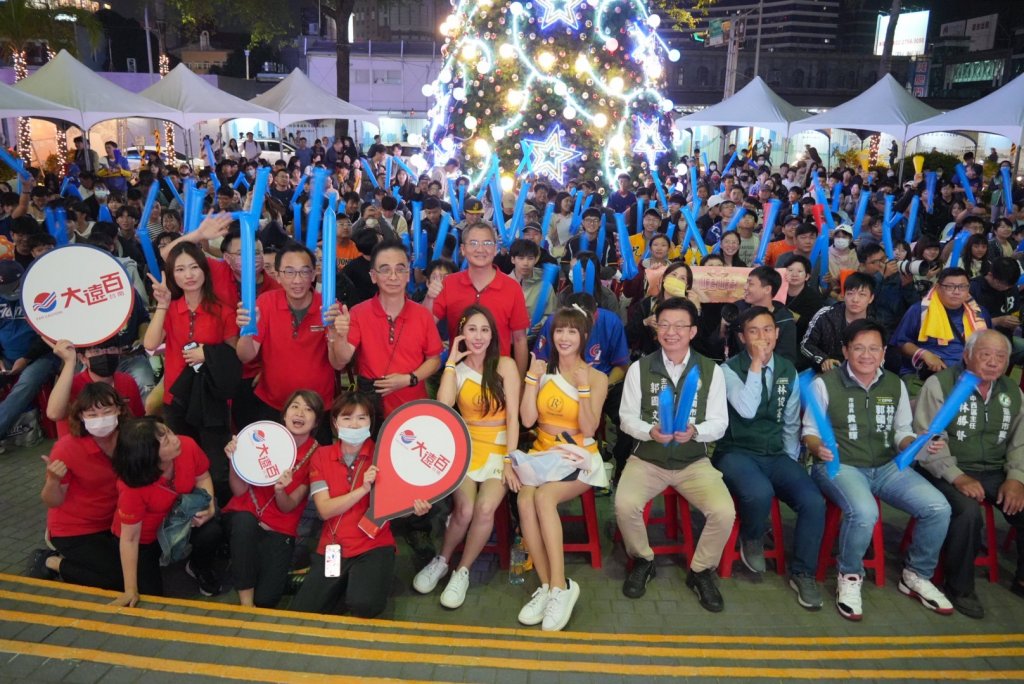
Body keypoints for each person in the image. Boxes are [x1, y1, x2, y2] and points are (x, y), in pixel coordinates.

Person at [803, 319, 953, 621]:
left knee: (938, 507)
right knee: (865, 511)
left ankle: (916, 574)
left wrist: (918, 444)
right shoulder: (825, 383)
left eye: (874, 349)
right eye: (858, 348)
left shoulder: (894, 384)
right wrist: (817, 447)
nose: (866, 355)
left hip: (886, 466)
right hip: (839, 465)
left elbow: (901, 433)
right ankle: (850, 576)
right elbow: (809, 431)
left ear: (884, 352)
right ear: (845, 350)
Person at [616, 297, 735, 612]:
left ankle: (700, 570)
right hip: (648, 460)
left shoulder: (711, 371)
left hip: (693, 462)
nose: (671, 332)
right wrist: (649, 431)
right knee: (624, 505)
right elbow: (626, 418)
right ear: (656, 329)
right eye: (664, 324)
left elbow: (720, 423)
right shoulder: (640, 368)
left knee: (724, 512)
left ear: (693, 331)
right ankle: (643, 559)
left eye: (680, 325)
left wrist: (696, 431)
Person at [713, 307, 825, 609]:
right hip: (736, 452)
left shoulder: (788, 370)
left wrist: (789, 463)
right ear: (741, 337)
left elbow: (790, 422)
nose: (762, 337)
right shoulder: (727, 370)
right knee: (759, 491)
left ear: (777, 334)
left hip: (774, 453)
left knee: (813, 501)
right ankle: (751, 536)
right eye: (753, 331)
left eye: (767, 330)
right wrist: (756, 366)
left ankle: (803, 573)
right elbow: (746, 409)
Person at [412, 305, 520, 609]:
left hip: (500, 447)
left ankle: (463, 571)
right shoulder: (456, 370)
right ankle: (442, 560)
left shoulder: (506, 366)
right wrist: (450, 362)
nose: (479, 336)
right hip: (467, 446)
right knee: (464, 510)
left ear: (493, 335)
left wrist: (511, 460)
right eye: (472, 329)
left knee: (485, 508)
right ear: (461, 333)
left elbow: (513, 417)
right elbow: (444, 407)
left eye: (485, 330)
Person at [914, 330, 1024, 618]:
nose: (992, 362)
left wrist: (1016, 478)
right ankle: (959, 587)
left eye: (1000, 357)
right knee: (967, 511)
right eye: (985, 354)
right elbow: (927, 439)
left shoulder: (1013, 392)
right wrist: (956, 475)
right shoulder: (941, 385)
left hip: (994, 470)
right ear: (967, 355)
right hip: (944, 469)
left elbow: (1019, 442)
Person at [290, 392, 431, 617]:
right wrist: (363, 490)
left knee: (364, 605)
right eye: (347, 418)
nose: (354, 425)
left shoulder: (386, 455)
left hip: (374, 544)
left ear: (370, 423)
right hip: (333, 545)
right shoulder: (321, 456)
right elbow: (325, 510)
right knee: (304, 610)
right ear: (335, 423)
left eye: (361, 418)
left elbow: (397, 510)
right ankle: (343, 582)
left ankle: (360, 582)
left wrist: (413, 509)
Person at [516, 306, 609, 631]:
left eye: (572, 331)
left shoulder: (596, 377)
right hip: (542, 455)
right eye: (559, 330)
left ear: (583, 336)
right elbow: (527, 420)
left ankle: (561, 587)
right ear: (551, 335)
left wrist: (583, 387)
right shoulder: (543, 372)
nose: (565, 337)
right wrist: (531, 379)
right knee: (524, 500)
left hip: (577, 458)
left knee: (543, 499)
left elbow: (590, 425)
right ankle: (546, 587)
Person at [145, 242, 240, 505]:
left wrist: (207, 353)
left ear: (204, 270)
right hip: (176, 399)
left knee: (217, 464)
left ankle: (220, 513)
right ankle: (188, 514)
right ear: (172, 275)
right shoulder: (171, 308)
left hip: (212, 400)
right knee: (182, 460)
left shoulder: (223, 311)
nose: (189, 275)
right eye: (180, 269)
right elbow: (151, 344)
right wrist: (162, 304)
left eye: (194, 267)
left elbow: (233, 356)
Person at [236, 241, 347, 442]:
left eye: (304, 272)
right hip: (273, 403)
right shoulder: (266, 303)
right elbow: (246, 355)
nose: (297, 280)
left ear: (314, 274)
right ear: (277, 275)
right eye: (289, 272)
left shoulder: (330, 307)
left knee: (314, 467)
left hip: (316, 407)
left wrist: (334, 332)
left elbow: (338, 363)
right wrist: (246, 330)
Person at [222, 390, 323, 608]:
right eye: (295, 406)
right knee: (244, 523)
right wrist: (234, 461)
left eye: (308, 409)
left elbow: (289, 506)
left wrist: (280, 490)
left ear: (316, 421)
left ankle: (255, 567)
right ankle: (246, 604)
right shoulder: (260, 435)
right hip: (246, 514)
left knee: (267, 599)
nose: (300, 413)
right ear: (284, 414)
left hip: (282, 526)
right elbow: (239, 491)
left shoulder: (317, 455)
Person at [111, 418, 224, 606]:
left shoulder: (187, 445)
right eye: (166, 441)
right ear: (149, 455)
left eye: (169, 431)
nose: (175, 439)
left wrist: (210, 506)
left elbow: (202, 476)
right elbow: (130, 538)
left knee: (212, 531)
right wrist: (130, 590)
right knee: (150, 598)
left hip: (181, 522)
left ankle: (198, 567)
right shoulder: (132, 486)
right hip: (145, 539)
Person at [32, 384, 132, 589]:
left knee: (137, 568)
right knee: (116, 579)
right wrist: (53, 480)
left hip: (116, 522)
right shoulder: (67, 448)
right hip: (76, 529)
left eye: (106, 411)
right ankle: (52, 562)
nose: (101, 418)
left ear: (119, 410)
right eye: (92, 414)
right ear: (81, 416)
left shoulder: (131, 438)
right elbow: (52, 501)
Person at [334, 240, 443, 419]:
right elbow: (342, 359)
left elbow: (434, 359)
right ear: (373, 276)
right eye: (385, 269)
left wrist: (410, 378)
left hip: (412, 409)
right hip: (370, 410)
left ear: (408, 274)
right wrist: (340, 336)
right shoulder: (358, 313)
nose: (393, 276)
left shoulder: (422, 314)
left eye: (400, 269)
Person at [428, 222, 530, 375]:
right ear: (463, 249)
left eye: (487, 243)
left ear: (495, 249)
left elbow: (520, 340)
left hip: (499, 376)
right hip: (457, 377)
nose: (481, 249)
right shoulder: (449, 283)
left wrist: (520, 384)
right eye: (474, 243)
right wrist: (429, 297)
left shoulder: (512, 288)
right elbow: (425, 325)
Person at [890, 267, 990, 393]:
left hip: (968, 375)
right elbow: (901, 343)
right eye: (950, 286)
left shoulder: (979, 313)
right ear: (937, 287)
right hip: (926, 374)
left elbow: (989, 344)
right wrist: (924, 354)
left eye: (962, 287)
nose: (956, 292)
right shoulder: (919, 310)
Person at [0, 260, 59, 442]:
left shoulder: (41, 294)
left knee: (25, 384)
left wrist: (26, 358)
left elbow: (48, 334)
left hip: (42, 356)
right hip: (7, 357)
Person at [46, 340, 144, 438]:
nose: (105, 355)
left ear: (119, 352)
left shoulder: (127, 381)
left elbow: (137, 420)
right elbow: (54, 414)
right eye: (96, 351)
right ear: (83, 358)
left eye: (111, 349)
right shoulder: (70, 386)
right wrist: (69, 362)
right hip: (79, 448)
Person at [800, 272, 876, 372]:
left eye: (862, 294)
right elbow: (805, 345)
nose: (855, 299)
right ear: (843, 295)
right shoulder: (826, 315)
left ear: (871, 298)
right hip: (825, 372)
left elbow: (878, 356)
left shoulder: (874, 324)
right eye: (850, 293)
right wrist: (823, 360)